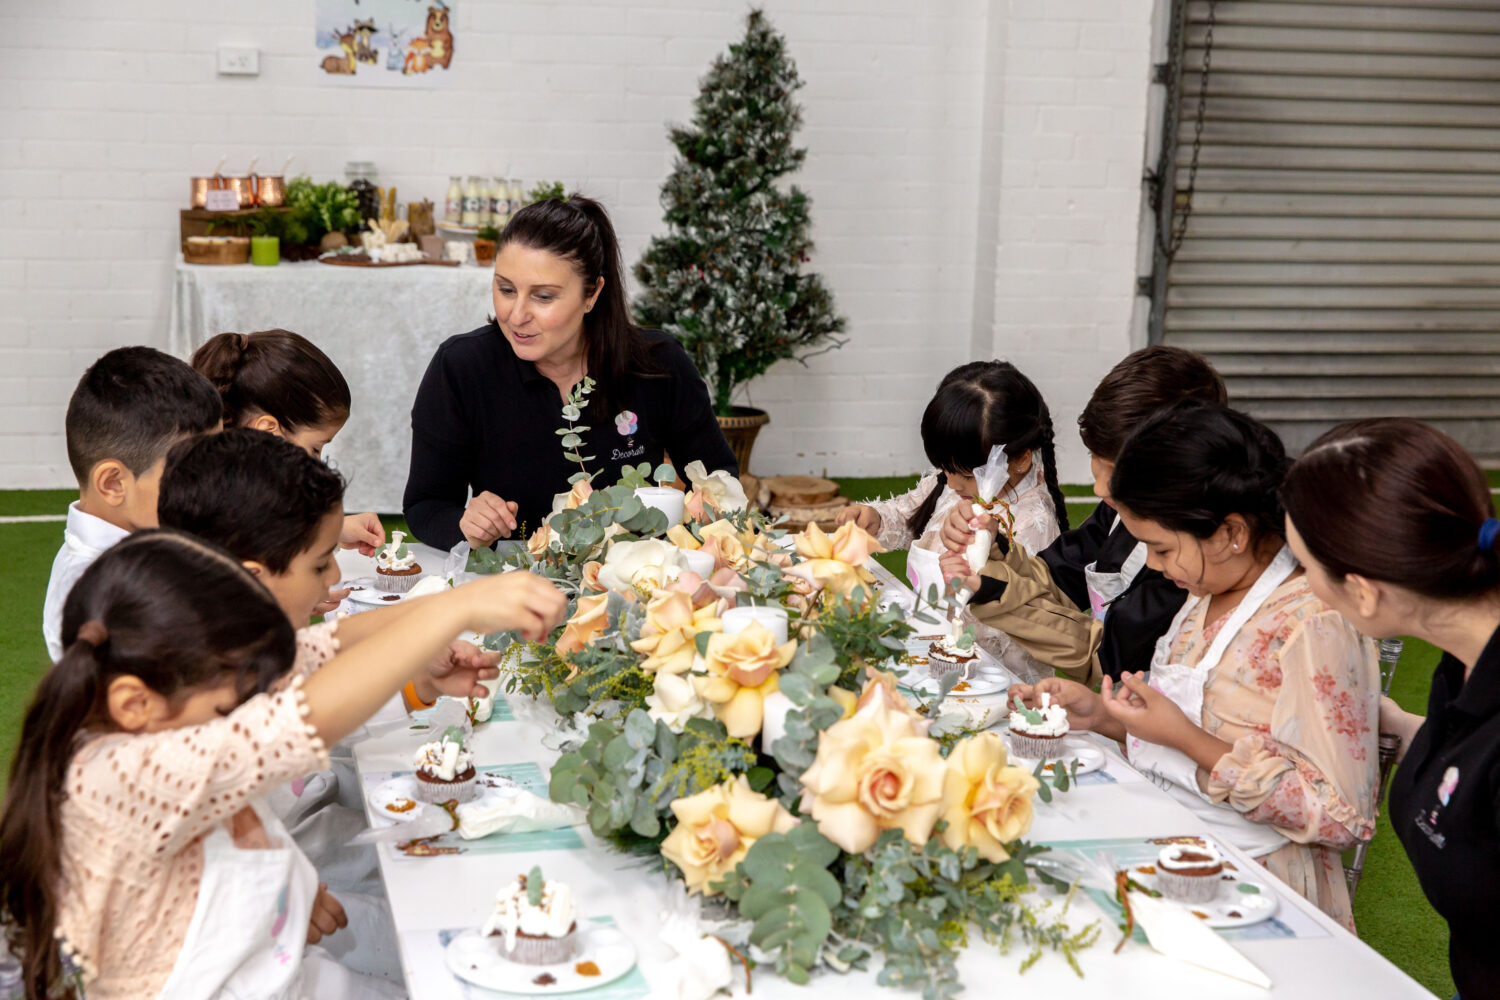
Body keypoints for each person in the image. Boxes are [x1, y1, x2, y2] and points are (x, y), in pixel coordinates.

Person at [0, 530, 565, 1000]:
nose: (247, 713)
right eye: (229, 711)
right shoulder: (117, 775)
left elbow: (325, 648)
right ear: (135, 703)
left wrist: (420, 658)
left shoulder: (142, 722)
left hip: (275, 966)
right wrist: (456, 606)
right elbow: (296, 722)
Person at [1007, 402, 1379, 928]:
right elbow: (1184, 724)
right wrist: (1099, 715)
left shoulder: (1312, 623)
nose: (1153, 567)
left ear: (1231, 532)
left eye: (1160, 548)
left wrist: (1186, 739)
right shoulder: (1205, 593)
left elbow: (1341, 817)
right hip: (1178, 851)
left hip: (1258, 889)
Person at [156, 427, 500, 982]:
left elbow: (320, 660)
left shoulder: (230, 639)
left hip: (283, 899)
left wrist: (420, 682)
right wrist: (458, 611)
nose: (336, 577)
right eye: (320, 564)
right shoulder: (193, 697)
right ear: (252, 577)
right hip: (255, 956)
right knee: (450, 938)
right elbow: (307, 711)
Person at [1282, 418, 1500, 995]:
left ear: (1364, 590)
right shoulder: (1467, 660)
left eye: (1305, 568)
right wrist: (1399, 726)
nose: (1303, 586)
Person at [403, 195, 737, 552]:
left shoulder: (659, 365)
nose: (516, 315)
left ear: (592, 294)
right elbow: (426, 505)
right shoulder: (462, 367)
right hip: (514, 588)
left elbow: (721, 486)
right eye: (506, 289)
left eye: (543, 296)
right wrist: (466, 525)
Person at [940, 345, 1227, 681]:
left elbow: (1104, 657)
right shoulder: (1117, 511)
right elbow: (1058, 580)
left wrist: (994, 592)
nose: (1100, 490)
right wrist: (993, 545)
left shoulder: (1188, 561)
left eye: (1115, 470)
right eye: (1096, 458)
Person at [837, 360, 1066, 679]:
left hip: (996, 678)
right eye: (945, 469)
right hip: (936, 650)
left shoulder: (1032, 522)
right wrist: (874, 518)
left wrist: (973, 577)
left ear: (1020, 460)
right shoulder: (954, 483)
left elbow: (1023, 620)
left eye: (964, 475)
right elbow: (909, 514)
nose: (952, 483)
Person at [41, 347, 222, 661]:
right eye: (192, 472)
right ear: (113, 484)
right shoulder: (95, 596)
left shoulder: (152, 539)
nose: (215, 487)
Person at [192, 328, 385, 611]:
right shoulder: (206, 513)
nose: (317, 462)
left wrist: (334, 529)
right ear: (269, 432)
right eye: (316, 448)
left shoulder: (238, 488)